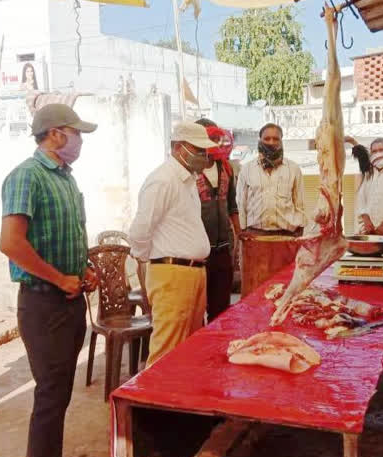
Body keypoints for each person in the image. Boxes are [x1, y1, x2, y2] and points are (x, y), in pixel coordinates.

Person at [0, 104, 99, 457]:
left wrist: (85, 267)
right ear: (56, 134)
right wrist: (59, 279)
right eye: (77, 133)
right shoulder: (27, 176)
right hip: (44, 303)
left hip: (69, 300)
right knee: (49, 397)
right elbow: (11, 243)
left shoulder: (65, 179)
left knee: (58, 396)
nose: (80, 141)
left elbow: (72, 233)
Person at [128, 121, 216, 366]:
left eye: (204, 150)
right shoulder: (163, 180)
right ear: (179, 148)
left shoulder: (187, 181)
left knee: (189, 349)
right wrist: (153, 262)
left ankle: (177, 401)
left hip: (192, 272)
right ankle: (151, 404)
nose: (203, 156)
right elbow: (140, 232)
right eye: (198, 150)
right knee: (166, 350)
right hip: (172, 273)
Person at [194, 118, 241, 321]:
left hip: (223, 249)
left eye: (214, 137)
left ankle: (217, 351)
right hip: (197, 253)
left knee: (221, 311)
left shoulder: (227, 168)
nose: (213, 141)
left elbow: (232, 206)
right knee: (195, 312)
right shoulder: (189, 170)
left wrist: (239, 239)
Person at [236, 123, 306, 237]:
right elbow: (241, 203)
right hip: (255, 235)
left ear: (281, 141)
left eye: (276, 139)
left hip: (287, 235)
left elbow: (300, 204)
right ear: (260, 140)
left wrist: (299, 230)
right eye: (267, 138)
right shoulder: (247, 169)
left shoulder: (293, 169)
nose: (271, 142)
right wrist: (243, 230)